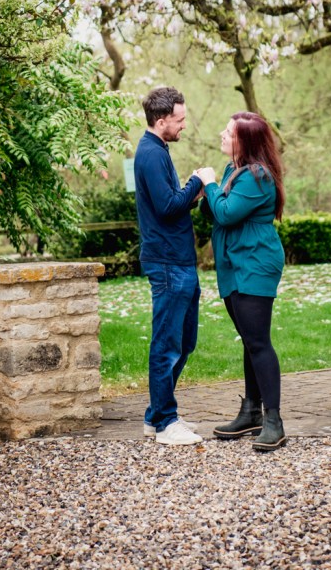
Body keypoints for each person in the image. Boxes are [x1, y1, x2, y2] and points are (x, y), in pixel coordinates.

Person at [197, 111, 287, 452]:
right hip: (235, 262)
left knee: (259, 341)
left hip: (254, 262)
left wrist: (208, 184)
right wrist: (210, 191)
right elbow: (216, 213)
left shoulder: (257, 175)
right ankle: (250, 411)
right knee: (250, 340)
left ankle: (273, 421)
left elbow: (226, 213)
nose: (221, 134)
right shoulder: (234, 171)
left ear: (244, 141)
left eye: (228, 131)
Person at [133, 86, 205, 446]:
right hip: (167, 264)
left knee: (185, 341)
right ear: (161, 121)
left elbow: (171, 204)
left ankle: (155, 414)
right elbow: (165, 207)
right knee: (167, 345)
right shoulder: (150, 154)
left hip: (178, 261)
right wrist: (198, 181)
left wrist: (192, 195)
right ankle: (165, 422)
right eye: (179, 120)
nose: (184, 126)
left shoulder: (158, 150)